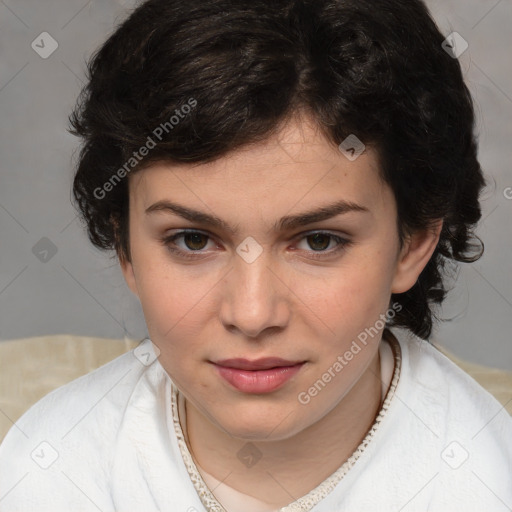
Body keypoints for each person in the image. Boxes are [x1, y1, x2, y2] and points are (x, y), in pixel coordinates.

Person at [1, 0, 511, 510]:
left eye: (318, 241)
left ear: (413, 241)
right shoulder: (47, 473)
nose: (251, 314)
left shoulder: (488, 483)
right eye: (193, 240)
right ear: (125, 247)